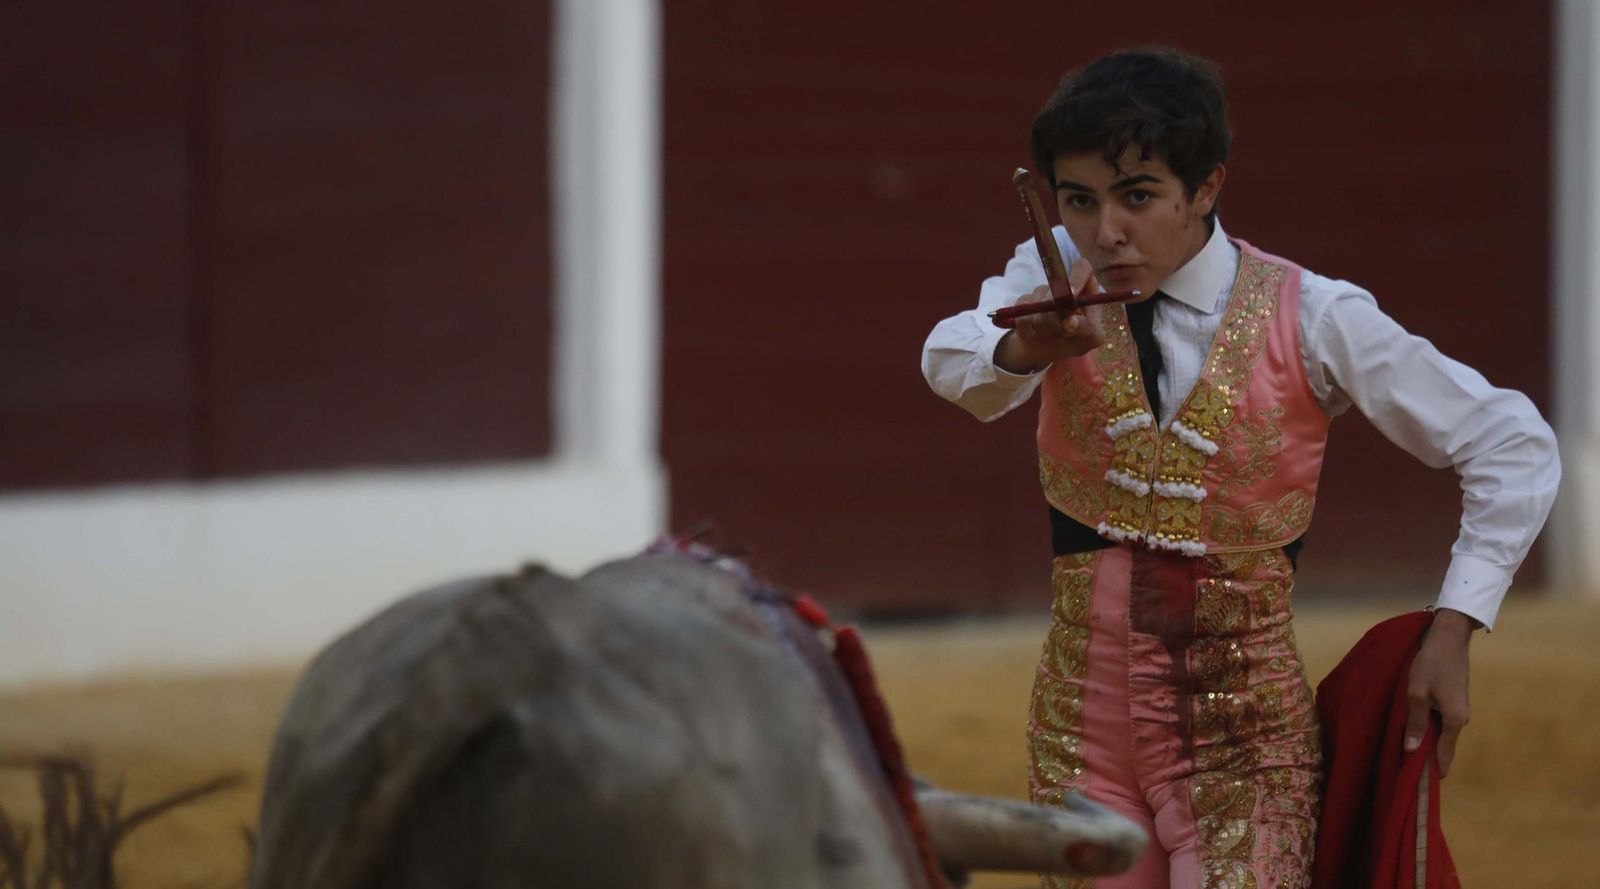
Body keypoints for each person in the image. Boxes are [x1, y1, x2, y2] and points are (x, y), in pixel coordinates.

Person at [920, 47, 1559, 888]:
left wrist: (1456, 623)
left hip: (1246, 752)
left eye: (1137, 196)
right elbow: (950, 358)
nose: (1105, 231)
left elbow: (1511, 440)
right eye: (1079, 200)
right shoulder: (1050, 284)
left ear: (1206, 188)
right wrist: (1018, 344)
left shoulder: (1316, 316)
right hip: (1081, 734)